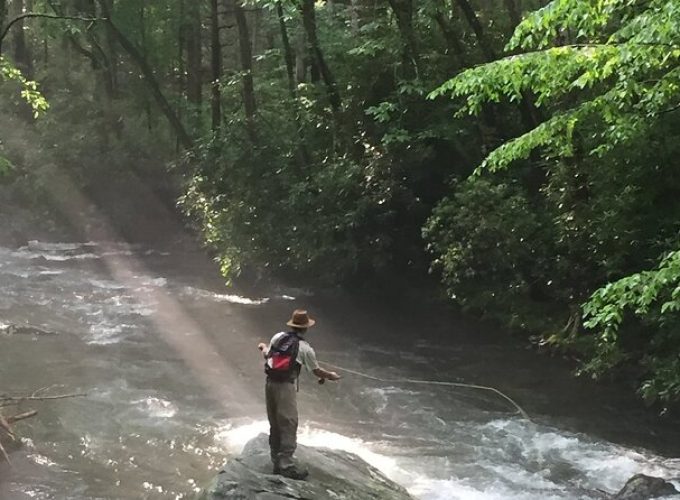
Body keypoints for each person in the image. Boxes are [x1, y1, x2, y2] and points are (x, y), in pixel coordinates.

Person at [257, 309, 340, 480]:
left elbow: (268, 355)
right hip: (285, 388)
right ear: (306, 328)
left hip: (270, 384)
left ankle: (276, 460)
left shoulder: (278, 337)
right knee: (289, 423)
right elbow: (316, 371)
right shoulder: (305, 348)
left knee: (275, 423)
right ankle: (286, 465)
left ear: (292, 325)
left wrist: (263, 347)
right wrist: (330, 376)